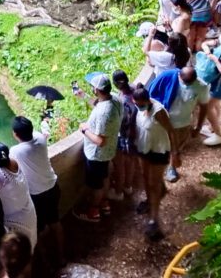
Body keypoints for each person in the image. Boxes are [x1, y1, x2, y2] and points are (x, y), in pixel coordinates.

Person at [9, 117, 63, 260]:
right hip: (53, 187)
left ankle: (45, 263)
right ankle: (61, 256)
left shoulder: (15, 151)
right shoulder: (40, 138)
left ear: (15, 134)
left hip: (37, 195)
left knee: (36, 231)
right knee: (55, 222)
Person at [74, 74, 122, 222]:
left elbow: (100, 141)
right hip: (109, 151)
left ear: (96, 89)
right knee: (105, 176)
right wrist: (83, 96)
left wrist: (84, 129)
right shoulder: (114, 99)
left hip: (97, 154)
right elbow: (98, 103)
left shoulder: (103, 113)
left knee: (96, 185)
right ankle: (104, 202)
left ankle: (93, 211)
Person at [133, 87, 173, 241]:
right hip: (144, 148)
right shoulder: (139, 108)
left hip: (159, 150)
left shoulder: (158, 111)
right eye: (137, 104)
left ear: (147, 100)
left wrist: (175, 154)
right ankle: (151, 200)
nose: (139, 106)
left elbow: (171, 130)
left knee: (152, 183)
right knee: (146, 178)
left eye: (141, 104)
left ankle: (154, 219)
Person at [0, 143, 38, 251]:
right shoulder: (14, 162)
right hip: (28, 210)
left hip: (15, 220)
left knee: (20, 252)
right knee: (30, 244)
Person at [164, 67, 209, 182]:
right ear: (179, 76)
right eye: (185, 82)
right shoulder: (171, 79)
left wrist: (198, 127)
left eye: (190, 83)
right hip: (165, 119)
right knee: (165, 145)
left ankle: (171, 167)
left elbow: (204, 107)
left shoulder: (201, 86)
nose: (187, 85)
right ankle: (164, 164)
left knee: (176, 146)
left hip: (183, 122)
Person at [108, 70, 139, 201]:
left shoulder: (123, 101)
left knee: (119, 165)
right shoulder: (135, 89)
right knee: (131, 162)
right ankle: (128, 186)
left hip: (124, 134)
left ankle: (119, 192)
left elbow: (122, 119)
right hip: (136, 133)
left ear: (116, 84)